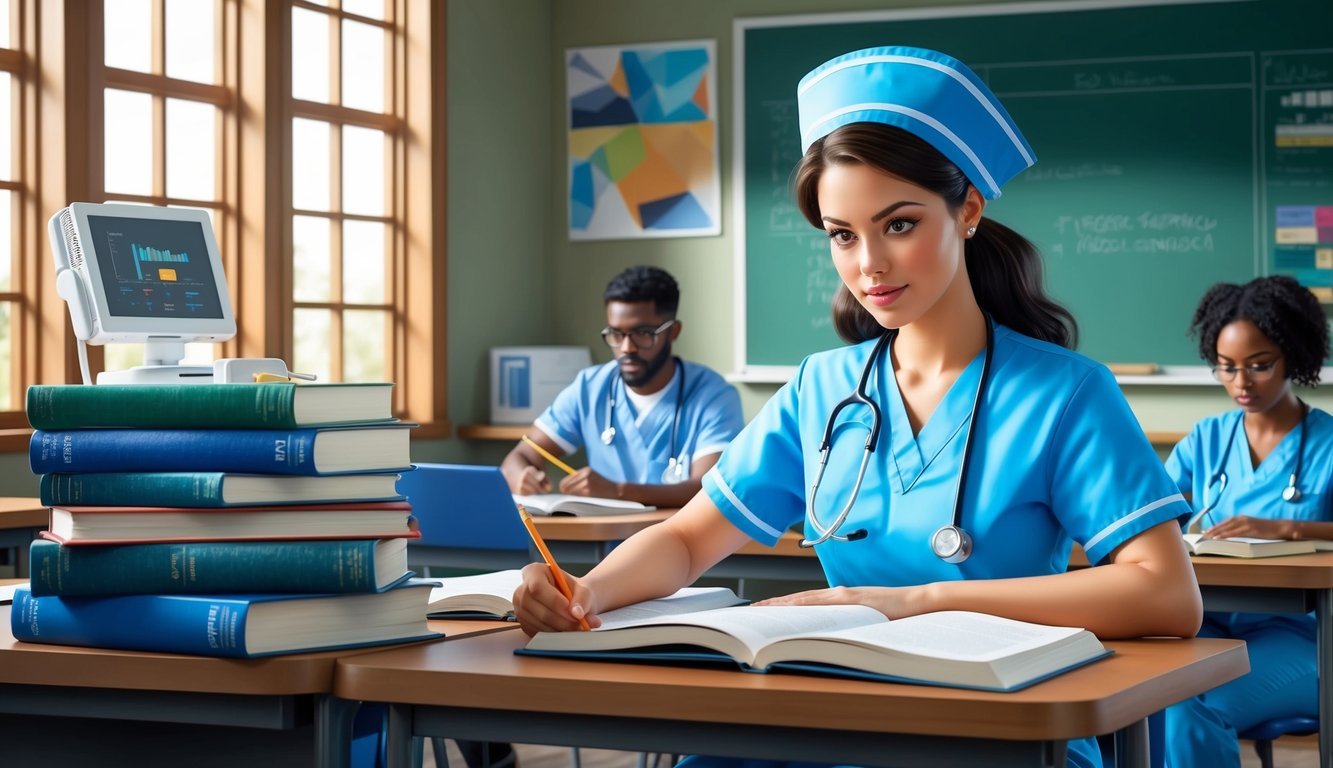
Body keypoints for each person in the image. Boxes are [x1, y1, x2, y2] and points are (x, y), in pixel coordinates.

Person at [513, 46, 1203, 768]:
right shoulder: (822, 389)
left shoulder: (1065, 393)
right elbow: (688, 541)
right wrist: (580, 592)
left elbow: (1165, 596)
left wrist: (916, 602)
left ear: (966, 208)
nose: (867, 264)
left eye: (897, 224)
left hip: (999, 725)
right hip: (838, 711)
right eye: (842, 234)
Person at [1162, 275, 1332, 768]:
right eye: (1227, 368)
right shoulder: (1206, 439)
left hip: (1300, 639)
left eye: (1259, 366)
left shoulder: (1327, 442)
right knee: (1147, 702)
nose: (1241, 383)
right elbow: (1152, 515)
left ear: (1294, 355)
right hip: (1205, 626)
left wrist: (1289, 528)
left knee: (1195, 713)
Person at [501, 265, 744, 508]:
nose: (626, 347)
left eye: (643, 333)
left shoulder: (713, 396)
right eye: (616, 334)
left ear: (672, 332)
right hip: (603, 541)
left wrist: (617, 491)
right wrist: (522, 477)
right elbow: (520, 455)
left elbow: (708, 490)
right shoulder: (590, 387)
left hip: (680, 541)